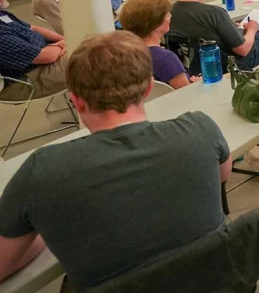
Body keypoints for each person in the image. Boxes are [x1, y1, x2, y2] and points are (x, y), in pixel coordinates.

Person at [0, 32, 233, 288]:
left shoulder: (42, 172)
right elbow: (221, 176)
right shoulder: (201, 129)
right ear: (148, 88)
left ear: (76, 101)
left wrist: (45, 230)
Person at [0, 0, 67, 102]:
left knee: (90, 49)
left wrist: (65, 39)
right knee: (91, 56)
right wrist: (66, 43)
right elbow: (48, 56)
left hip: (46, 59)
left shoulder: (3, 15)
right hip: (28, 80)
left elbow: (33, 28)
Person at [119, 0, 198, 90]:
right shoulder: (165, 59)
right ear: (156, 24)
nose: (170, 16)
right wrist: (197, 84)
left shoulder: (122, 54)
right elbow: (187, 92)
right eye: (167, 14)